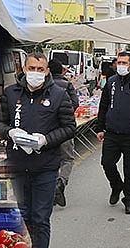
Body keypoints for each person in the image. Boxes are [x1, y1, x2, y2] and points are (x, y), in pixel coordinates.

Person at [0, 52, 75, 248]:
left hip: (45, 166)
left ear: (47, 71)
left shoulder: (59, 94)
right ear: (24, 68)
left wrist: (45, 140)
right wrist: (10, 133)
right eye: (32, 67)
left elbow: (70, 128)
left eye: (41, 68)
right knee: (26, 214)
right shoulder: (10, 94)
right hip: (18, 165)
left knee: (41, 218)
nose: (36, 72)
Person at [95, 51, 130, 214]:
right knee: (107, 163)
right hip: (112, 133)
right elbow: (104, 105)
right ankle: (116, 185)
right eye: (119, 63)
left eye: (124, 63)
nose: (121, 66)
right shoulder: (111, 82)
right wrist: (100, 127)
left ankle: (129, 199)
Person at [48, 58, 79, 207]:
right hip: (65, 128)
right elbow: (75, 103)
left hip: (49, 129)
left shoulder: (45, 85)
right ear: (61, 70)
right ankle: (61, 182)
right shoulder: (67, 85)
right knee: (67, 158)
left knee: (51, 159)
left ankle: (52, 186)